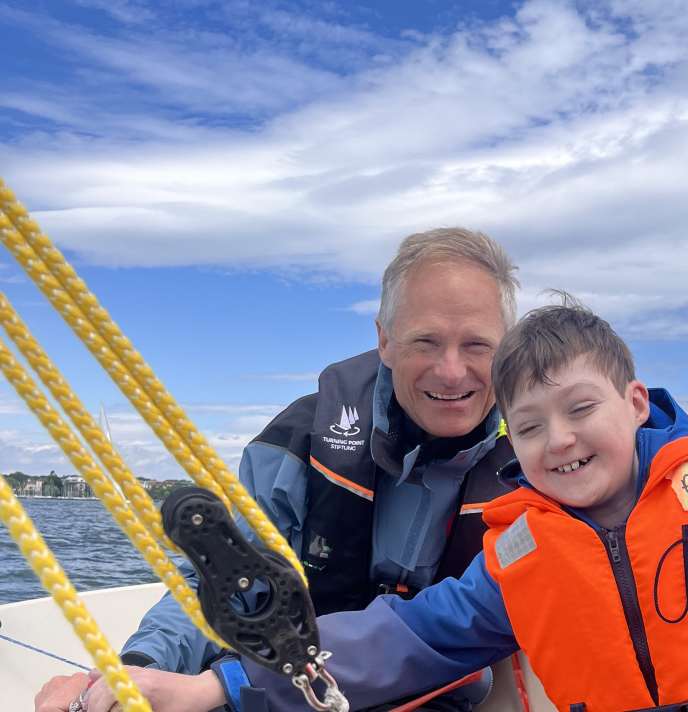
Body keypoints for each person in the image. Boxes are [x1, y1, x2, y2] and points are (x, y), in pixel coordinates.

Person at [78, 298, 688, 712]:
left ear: (636, 402)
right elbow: (399, 644)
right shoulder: (519, 550)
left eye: (581, 410)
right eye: (529, 427)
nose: (559, 442)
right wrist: (219, 689)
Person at [34, 228, 520, 712]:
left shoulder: (536, 467)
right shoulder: (300, 440)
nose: (452, 371)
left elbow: (469, 620)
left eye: (477, 345)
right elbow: (222, 578)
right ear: (385, 340)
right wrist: (141, 667)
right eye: (427, 341)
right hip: (276, 686)